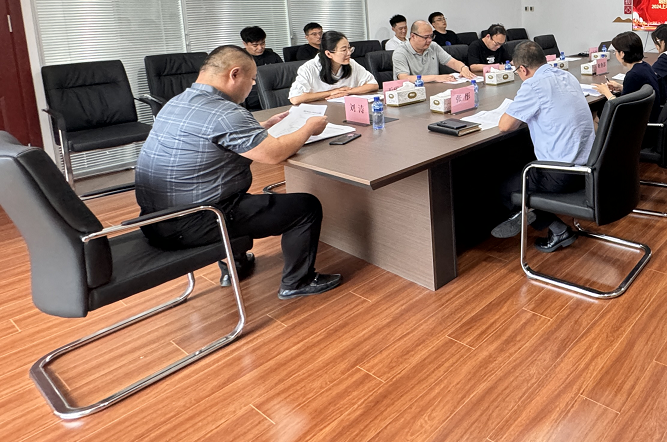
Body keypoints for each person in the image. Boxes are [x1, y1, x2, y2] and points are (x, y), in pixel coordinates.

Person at [134, 46, 342, 299]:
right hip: (193, 223)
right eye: (252, 79)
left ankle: (235, 267)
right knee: (306, 206)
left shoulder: (175, 103)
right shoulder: (225, 112)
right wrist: (309, 128)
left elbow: (213, 135)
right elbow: (274, 154)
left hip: (153, 220)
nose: (253, 86)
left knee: (231, 192)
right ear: (234, 74)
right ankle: (298, 282)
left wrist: (263, 126)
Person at [491, 41, 596, 252]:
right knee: (523, 166)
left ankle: (556, 229)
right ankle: (525, 212)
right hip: (590, 167)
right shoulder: (567, 76)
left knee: (504, 187)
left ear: (522, 69)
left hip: (562, 174)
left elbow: (505, 125)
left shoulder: (533, 85)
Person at [288, 30, 380, 104]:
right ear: (328, 54)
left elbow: (373, 85)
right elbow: (295, 98)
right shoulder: (309, 68)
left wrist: (348, 92)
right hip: (319, 113)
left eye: (349, 48)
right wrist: (331, 92)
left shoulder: (351, 63)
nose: (349, 53)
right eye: (344, 50)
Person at [594, 31, 661, 119]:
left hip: (638, 121)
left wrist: (606, 92)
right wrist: (622, 87)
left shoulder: (633, 75)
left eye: (616, 51)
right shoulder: (645, 66)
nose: (615, 54)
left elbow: (621, 109)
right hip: (650, 114)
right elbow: (638, 92)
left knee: (596, 114)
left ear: (622, 54)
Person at [393, 20, 475, 82]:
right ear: (413, 36)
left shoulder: (433, 46)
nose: (429, 40)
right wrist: (436, 77)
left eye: (431, 36)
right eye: (425, 37)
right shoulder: (400, 52)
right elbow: (404, 78)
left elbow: (452, 62)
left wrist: (463, 68)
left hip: (434, 90)